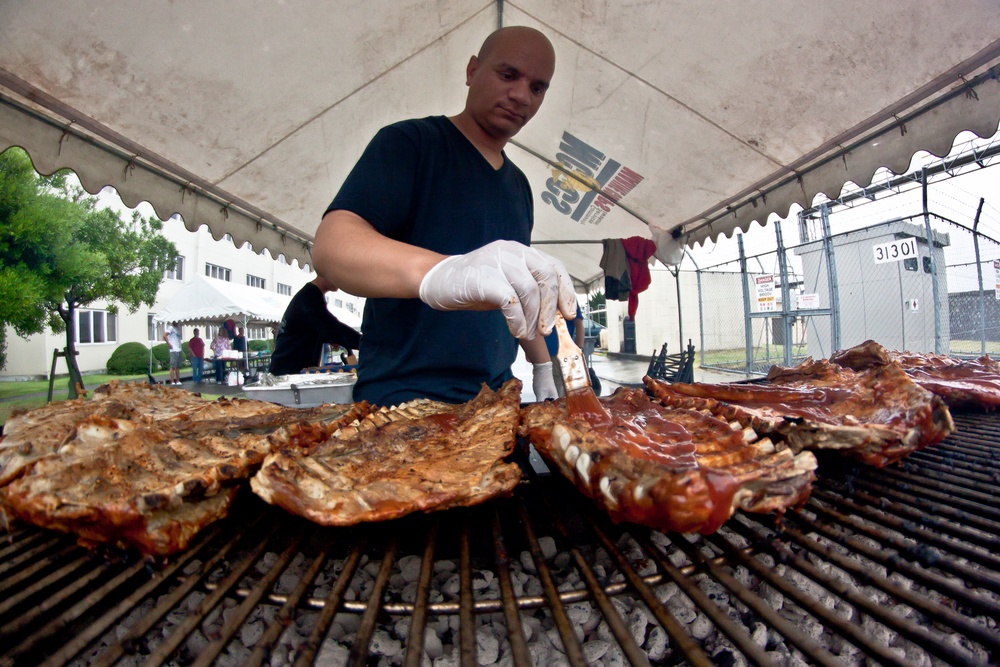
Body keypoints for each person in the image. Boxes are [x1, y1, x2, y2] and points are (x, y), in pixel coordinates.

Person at [312, 25, 573, 406]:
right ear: (471, 72)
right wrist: (440, 273)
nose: (520, 95)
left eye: (537, 88)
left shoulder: (519, 188)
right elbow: (332, 248)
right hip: (404, 402)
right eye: (507, 75)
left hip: (496, 400)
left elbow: (519, 296)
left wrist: (542, 365)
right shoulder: (410, 145)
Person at [269, 276, 362, 376]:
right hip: (286, 374)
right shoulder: (309, 297)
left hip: (289, 371)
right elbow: (333, 329)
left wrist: (328, 338)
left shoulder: (310, 295)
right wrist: (366, 343)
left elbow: (313, 328)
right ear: (326, 272)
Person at [543, 304, 584, 398]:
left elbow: (579, 324)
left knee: (561, 387)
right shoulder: (568, 297)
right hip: (551, 352)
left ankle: (559, 408)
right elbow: (579, 324)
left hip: (559, 352)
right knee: (564, 386)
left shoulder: (566, 297)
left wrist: (578, 349)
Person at [163, 321, 182, 385]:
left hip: (178, 349)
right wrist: (169, 344)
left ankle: (178, 380)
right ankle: (172, 381)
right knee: (173, 366)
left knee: (177, 366)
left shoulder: (178, 329)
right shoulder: (170, 328)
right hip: (173, 349)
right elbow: (165, 335)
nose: (177, 322)